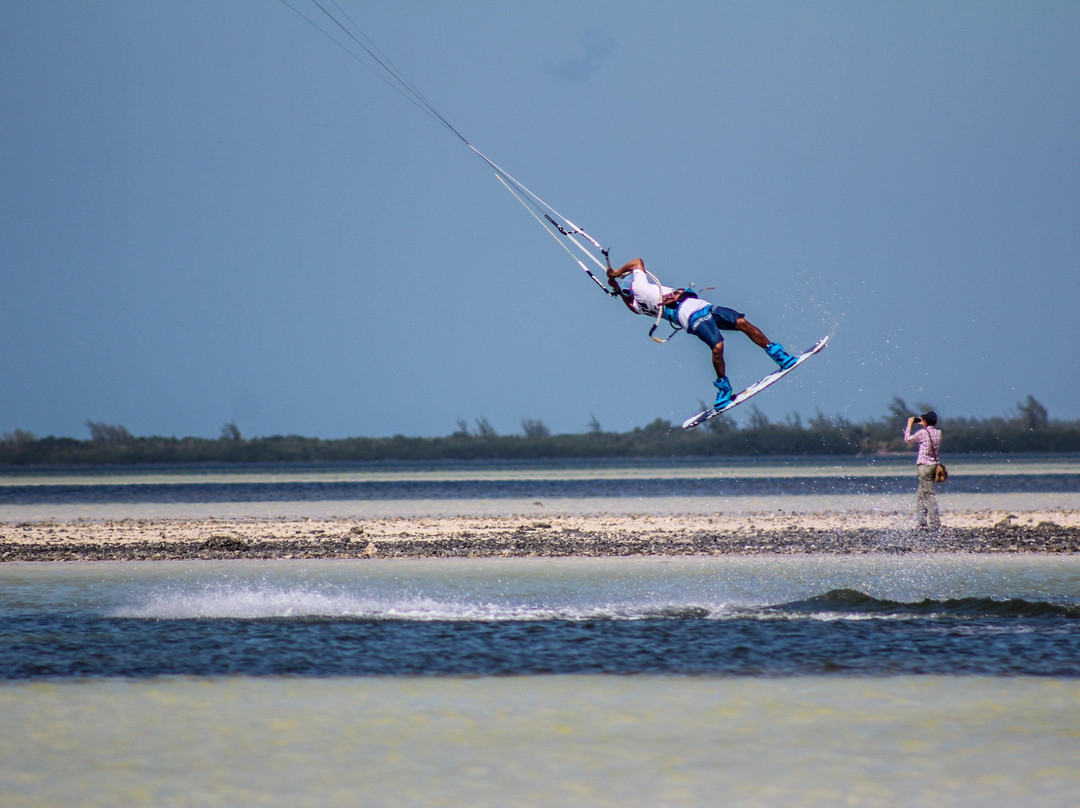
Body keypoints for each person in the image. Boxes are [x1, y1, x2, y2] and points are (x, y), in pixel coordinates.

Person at [606, 257, 797, 409]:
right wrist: (616, 273)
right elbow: (637, 261)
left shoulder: (637, 306)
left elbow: (630, 305)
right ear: (633, 286)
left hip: (703, 307)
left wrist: (614, 284)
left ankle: (777, 353)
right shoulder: (639, 288)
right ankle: (723, 388)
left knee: (741, 322)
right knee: (718, 346)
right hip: (689, 316)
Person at [903, 410, 942, 529]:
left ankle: (935, 523)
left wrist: (909, 425)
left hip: (924, 466)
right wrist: (924, 422)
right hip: (934, 466)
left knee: (928, 494)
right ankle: (922, 522)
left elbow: (908, 439)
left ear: (925, 421)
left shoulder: (922, 433)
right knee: (921, 494)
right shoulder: (939, 433)